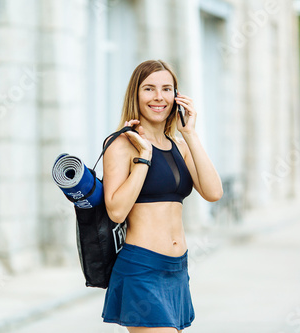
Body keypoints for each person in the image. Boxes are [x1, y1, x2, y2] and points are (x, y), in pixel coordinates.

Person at [101, 59, 223, 333]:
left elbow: (214, 192)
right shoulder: (121, 145)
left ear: (176, 97)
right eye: (149, 89)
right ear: (136, 95)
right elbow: (116, 211)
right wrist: (143, 157)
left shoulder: (180, 146)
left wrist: (189, 133)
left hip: (177, 270)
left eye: (167, 89)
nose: (159, 97)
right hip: (141, 269)